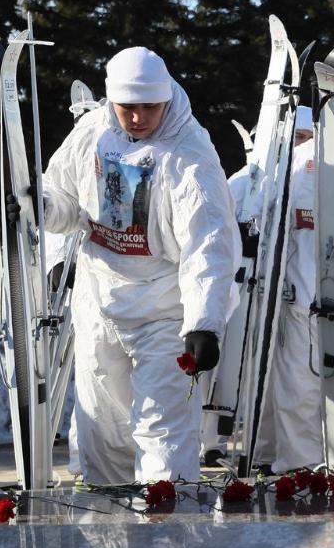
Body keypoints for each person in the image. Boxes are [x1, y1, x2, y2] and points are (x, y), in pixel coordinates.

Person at [33, 47, 242, 483]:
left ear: (167, 98)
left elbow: (210, 243)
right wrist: (45, 220)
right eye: (129, 107)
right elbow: (63, 198)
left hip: (164, 309)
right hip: (99, 300)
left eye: (151, 106)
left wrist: (204, 323)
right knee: (100, 429)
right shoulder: (92, 131)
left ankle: (168, 534)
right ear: (112, 101)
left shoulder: (191, 155)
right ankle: (108, 534)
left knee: (162, 429)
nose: (139, 117)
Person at [250, 104, 324, 473]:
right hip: (292, 296)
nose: (300, 146)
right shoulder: (285, 168)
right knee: (293, 385)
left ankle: (321, 462)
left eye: (305, 138)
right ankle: (292, 463)